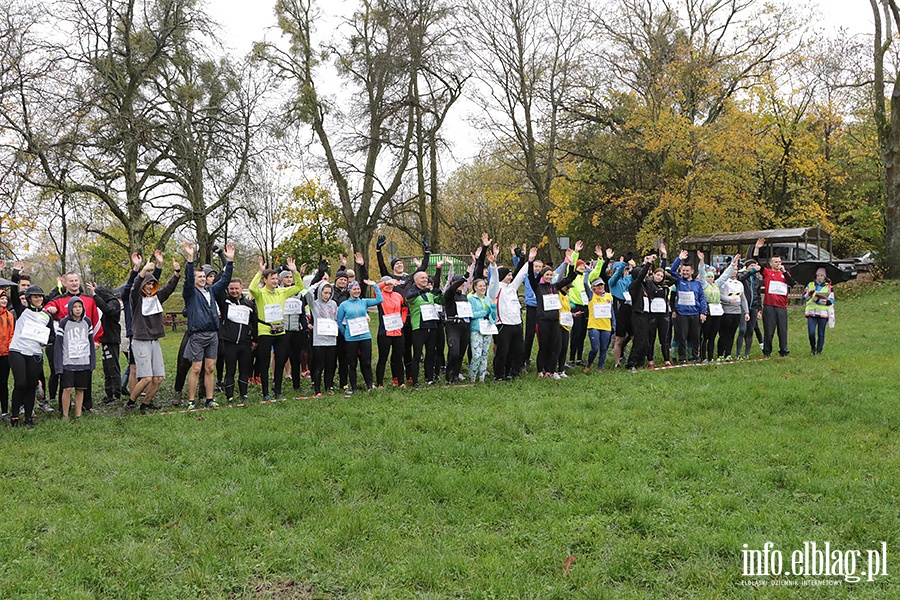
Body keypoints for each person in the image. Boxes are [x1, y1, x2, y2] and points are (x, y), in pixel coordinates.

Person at [182, 242, 235, 409]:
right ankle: (191, 401)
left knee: (210, 368)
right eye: (199, 277)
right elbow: (189, 280)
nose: (203, 279)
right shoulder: (190, 293)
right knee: (196, 368)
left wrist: (230, 261)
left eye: (204, 276)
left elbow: (225, 279)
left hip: (213, 334)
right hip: (197, 335)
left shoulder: (211, 291)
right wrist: (190, 259)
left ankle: (209, 399)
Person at [248, 255, 305, 401]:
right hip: (265, 331)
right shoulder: (260, 294)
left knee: (280, 361)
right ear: (265, 280)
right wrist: (259, 272)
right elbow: (251, 288)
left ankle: (278, 390)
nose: (275, 281)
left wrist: (295, 272)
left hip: (280, 330)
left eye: (276, 278)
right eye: (271, 278)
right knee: (265, 362)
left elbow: (299, 287)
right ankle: (265, 392)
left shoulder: (282, 292)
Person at [44, 271, 104, 411]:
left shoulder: (89, 300)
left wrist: (96, 339)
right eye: (71, 281)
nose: (74, 283)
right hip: (67, 347)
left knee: (85, 375)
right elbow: (47, 307)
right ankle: (64, 408)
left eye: (76, 280)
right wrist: (50, 309)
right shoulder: (60, 299)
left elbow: (96, 321)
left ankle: (85, 405)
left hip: (84, 345)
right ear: (65, 282)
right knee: (66, 378)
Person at [128, 255, 181, 413]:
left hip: (154, 340)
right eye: (147, 284)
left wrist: (177, 273)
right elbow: (136, 285)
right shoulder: (136, 299)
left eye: (152, 284)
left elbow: (170, 288)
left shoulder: (157, 298)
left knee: (158, 378)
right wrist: (143, 270)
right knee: (146, 378)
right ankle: (130, 403)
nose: (150, 287)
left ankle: (145, 404)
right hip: (140, 340)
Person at [526, 247, 577, 379]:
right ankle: (540, 371)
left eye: (550, 275)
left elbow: (570, 277)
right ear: (542, 276)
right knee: (543, 346)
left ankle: (551, 370)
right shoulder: (538, 287)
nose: (549, 277)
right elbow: (531, 277)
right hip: (543, 320)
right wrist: (531, 260)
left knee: (553, 347)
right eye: (546, 275)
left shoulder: (554, 287)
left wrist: (571, 264)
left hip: (555, 320)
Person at [8, 286, 53, 427]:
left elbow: (52, 336)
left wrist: (45, 340)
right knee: (20, 383)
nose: (38, 299)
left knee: (31, 385)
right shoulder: (22, 311)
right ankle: (14, 416)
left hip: (35, 353)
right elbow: (14, 296)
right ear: (29, 299)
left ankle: (28, 417)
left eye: (40, 297)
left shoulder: (47, 317)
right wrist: (15, 275)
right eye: (35, 297)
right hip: (18, 350)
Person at [488, 245, 528, 381]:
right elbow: (493, 278)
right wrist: (493, 265)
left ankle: (514, 372)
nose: (511, 277)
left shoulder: (512, 287)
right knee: (502, 352)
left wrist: (530, 260)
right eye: (509, 275)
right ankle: (499, 374)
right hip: (503, 324)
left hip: (516, 324)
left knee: (518, 351)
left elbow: (521, 275)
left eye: (511, 275)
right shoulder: (495, 288)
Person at [336, 279, 382, 395]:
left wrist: (375, 285)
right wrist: (345, 332)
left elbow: (379, 300)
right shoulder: (344, 305)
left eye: (358, 289)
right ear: (349, 290)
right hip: (351, 338)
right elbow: (339, 321)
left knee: (366, 362)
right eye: (354, 289)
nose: (357, 291)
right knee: (352, 363)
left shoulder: (364, 302)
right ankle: (354, 387)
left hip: (365, 336)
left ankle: (369, 385)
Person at [54, 297, 96, 420]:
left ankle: (78, 414)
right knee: (67, 388)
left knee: (80, 389)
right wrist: (59, 364)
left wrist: (92, 361)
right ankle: (65, 415)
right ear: (70, 308)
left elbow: (91, 342)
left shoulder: (87, 322)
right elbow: (58, 344)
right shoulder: (64, 323)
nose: (78, 309)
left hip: (83, 361)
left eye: (80, 307)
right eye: (75, 307)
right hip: (68, 362)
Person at [752, 238, 796, 358]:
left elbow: (792, 283)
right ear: (771, 263)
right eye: (775, 262)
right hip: (769, 306)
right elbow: (757, 263)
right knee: (769, 330)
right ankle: (767, 351)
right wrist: (757, 248)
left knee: (782, 330)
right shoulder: (767, 273)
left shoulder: (784, 274)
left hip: (781, 306)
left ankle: (784, 351)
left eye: (779, 262)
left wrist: (784, 272)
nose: (778, 264)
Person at [405, 261, 444, 386]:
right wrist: (424, 290)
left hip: (431, 326)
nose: (425, 280)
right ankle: (415, 380)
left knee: (431, 353)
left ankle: (429, 378)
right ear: (416, 280)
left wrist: (441, 293)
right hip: (419, 327)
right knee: (417, 354)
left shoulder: (429, 294)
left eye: (426, 278)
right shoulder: (413, 292)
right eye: (422, 278)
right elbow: (409, 298)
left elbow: (440, 300)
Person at [218, 277, 257, 403]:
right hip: (229, 342)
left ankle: (243, 394)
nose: (234, 291)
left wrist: (255, 339)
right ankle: (229, 396)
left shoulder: (249, 303)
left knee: (244, 370)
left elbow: (254, 322)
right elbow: (218, 287)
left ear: (241, 288)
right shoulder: (225, 302)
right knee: (230, 370)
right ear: (228, 289)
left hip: (245, 343)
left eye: (236, 288)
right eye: (231, 288)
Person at [670, 250, 708, 363]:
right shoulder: (679, 281)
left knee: (695, 337)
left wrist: (703, 312)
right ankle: (682, 358)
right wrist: (679, 258)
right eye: (683, 271)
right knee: (682, 337)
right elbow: (672, 271)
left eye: (687, 271)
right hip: (682, 314)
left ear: (692, 271)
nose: (685, 273)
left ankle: (695, 357)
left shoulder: (697, 284)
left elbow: (702, 298)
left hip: (695, 313)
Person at [305, 278, 340, 396]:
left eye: (329, 293)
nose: (327, 295)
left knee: (331, 365)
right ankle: (317, 389)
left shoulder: (333, 304)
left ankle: (328, 386)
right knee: (319, 365)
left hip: (331, 339)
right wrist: (318, 283)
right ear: (320, 292)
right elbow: (308, 292)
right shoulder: (314, 304)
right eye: (325, 292)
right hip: (319, 339)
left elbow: (336, 319)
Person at [375, 276, 407, 387]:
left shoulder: (398, 296)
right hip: (385, 331)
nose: (389, 286)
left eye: (391, 284)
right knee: (383, 358)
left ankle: (401, 382)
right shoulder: (380, 295)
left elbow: (404, 308)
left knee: (398, 357)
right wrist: (386, 282)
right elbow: (375, 288)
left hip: (398, 330)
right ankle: (379, 383)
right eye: (387, 284)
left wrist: (402, 320)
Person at [625, 254, 656, 371]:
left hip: (646, 315)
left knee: (646, 341)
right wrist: (648, 264)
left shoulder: (645, 286)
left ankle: (640, 362)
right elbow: (640, 276)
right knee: (639, 339)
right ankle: (631, 363)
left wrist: (646, 263)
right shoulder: (634, 286)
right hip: (638, 315)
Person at [645, 244, 674, 367]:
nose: (659, 277)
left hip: (664, 315)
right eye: (658, 275)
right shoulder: (649, 283)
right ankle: (650, 360)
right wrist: (662, 259)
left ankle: (667, 359)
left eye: (661, 276)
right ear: (653, 275)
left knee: (665, 338)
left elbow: (675, 280)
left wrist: (665, 274)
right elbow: (648, 274)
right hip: (652, 315)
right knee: (651, 338)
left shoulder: (665, 286)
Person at [468, 264, 498, 383]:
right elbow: (472, 314)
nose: (482, 288)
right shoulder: (471, 299)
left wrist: (493, 307)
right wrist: (485, 311)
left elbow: (493, 317)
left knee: (485, 354)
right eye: (480, 286)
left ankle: (482, 378)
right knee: (476, 354)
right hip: (476, 328)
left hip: (488, 328)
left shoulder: (487, 299)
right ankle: (472, 376)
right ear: (475, 287)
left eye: (484, 286)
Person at [716, 255, 749, 359]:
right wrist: (729, 300)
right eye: (733, 269)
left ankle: (728, 354)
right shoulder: (723, 282)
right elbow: (719, 295)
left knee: (732, 334)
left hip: (737, 312)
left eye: (736, 270)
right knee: (724, 334)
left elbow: (743, 298)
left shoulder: (739, 283)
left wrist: (746, 312)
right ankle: (721, 353)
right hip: (726, 311)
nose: (734, 271)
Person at [442, 274, 471, 384]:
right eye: (460, 284)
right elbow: (452, 289)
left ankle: (455, 375)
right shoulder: (449, 294)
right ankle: (449, 374)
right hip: (453, 325)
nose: (461, 286)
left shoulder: (464, 297)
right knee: (454, 352)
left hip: (464, 326)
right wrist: (465, 276)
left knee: (460, 353)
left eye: (463, 285)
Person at [583, 275, 615, 373]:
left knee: (604, 349)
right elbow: (585, 283)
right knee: (595, 348)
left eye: (602, 285)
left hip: (606, 326)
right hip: (594, 326)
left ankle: (600, 368)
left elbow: (612, 311)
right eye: (598, 285)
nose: (600, 287)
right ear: (594, 287)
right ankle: (588, 365)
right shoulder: (591, 295)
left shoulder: (609, 296)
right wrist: (587, 273)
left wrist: (614, 324)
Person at [565, 241, 590, 366]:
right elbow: (572, 264)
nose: (582, 268)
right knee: (576, 332)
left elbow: (596, 273)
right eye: (580, 266)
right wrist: (576, 252)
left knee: (582, 334)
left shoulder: (586, 278)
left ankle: (579, 358)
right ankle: (571, 358)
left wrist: (601, 260)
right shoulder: (573, 276)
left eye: (584, 266)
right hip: (576, 307)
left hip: (586, 307)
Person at [736, 259, 763, 359]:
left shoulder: (757, 280)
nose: (753, 268)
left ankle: (747, 353)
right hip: (744, 307)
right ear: (747, 268)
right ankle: (738, 353)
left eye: (754, 266)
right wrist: (750, 272)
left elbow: (759, 295)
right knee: (742, 330)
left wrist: (759, 309)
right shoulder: (742, 277)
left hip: (754, 307)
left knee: (750, 330)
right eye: (751, 266)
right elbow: (741, 278)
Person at [803, 268, 834, 355]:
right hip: (811, 313)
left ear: (824, 277)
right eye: (818, 275)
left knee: (821, 333)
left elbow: (831, 301)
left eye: (821, 275)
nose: (819, 277)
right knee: (811, 333)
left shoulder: (829, 287)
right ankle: (813, 348)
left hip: (823, 313)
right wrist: (810, 293)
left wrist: (819, 301)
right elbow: (803, 297)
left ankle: (819, 350)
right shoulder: (810, 284)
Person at [0, 289, 14, 422]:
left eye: (5, 298)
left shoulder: (9, 315)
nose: (4, 301)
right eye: (1, 298)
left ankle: (4, 411)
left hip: (5, 354)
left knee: (3, 383)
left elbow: (11, 334)